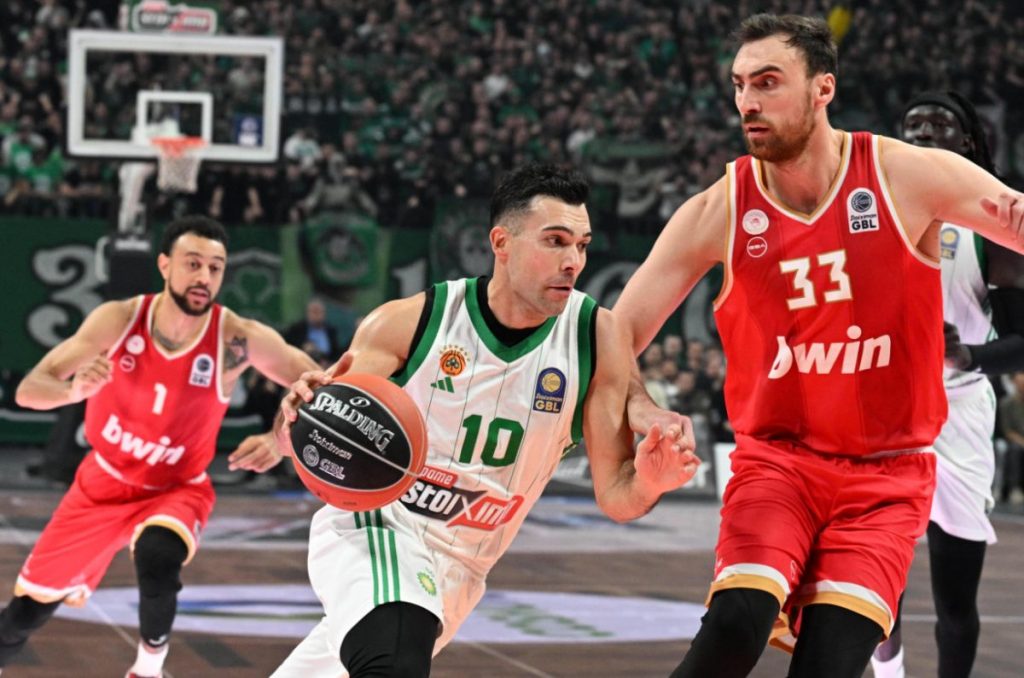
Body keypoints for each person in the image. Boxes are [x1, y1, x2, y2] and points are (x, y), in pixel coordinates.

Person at [610, 14, 1024, 678]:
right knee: (734, 625)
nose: (747, 101)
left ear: (822, 88)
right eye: (740, 84)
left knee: (834, 660)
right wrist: (641, 407)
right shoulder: (720, 208)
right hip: (780, 462)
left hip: (888, 474)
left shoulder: (905, 174)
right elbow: (616, 335)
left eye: (768, 82)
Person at [271, 163, 701, 677]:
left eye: (582, 246)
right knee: (394, 659)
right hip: (379, 527)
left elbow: (616, 495)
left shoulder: (595, 336)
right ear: (501, 243)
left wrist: (651, 481)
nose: (573, 261)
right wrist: (294, 417)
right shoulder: (412, 321)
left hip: (463, 571)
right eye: (556, 241)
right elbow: (317, 430)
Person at [4, 216, 322, 678]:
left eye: (215, 267)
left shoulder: (234, 337)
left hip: (176, 488)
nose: (204, 277)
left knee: (158, 556)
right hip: (102, 483)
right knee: (23, 616)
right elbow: (29, 390)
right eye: (193, 263)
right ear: (164, 265)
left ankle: (148, 669)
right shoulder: (119, 320)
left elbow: (316, 384)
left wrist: (282, 439)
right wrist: (73, 391)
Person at [870, 91, 1024, 678]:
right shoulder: (865, 215)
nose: (924, 133)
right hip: (882, 410)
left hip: (958, 411)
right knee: (874, 583)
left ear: (968, 143)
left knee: (955, 596)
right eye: (912, 126)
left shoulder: (994, 224)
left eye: (939, 125)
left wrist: (968, 355)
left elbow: (1022, 341)